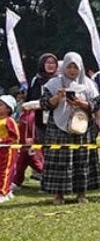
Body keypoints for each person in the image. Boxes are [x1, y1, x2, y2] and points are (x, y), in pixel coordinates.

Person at [40, 52, 100, 205]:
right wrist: (58, 97)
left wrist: (82, 104)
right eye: (69, 67)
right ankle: (58, 195)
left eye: (75, 67)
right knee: (60, 162)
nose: (72, 70)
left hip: (82, 127)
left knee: (82, 160)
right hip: (58, 127)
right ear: (64, 67)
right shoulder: (53, 84)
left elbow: (96, 105)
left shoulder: (89, 84)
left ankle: (81, 194)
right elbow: (44, 104)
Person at [14, 53, 58, 187]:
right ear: (42, 64)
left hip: (57, 119)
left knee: (56, 151)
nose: (50, 65)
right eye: (48, 62)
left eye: (53, 63)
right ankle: (45, 179)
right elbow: (31, 98)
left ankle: (54, 180)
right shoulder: (36, 80)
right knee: (42, 150)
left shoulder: (60, 79)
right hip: (40, 120)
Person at [0, 95, 19, 203]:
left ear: (8, 109)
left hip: (8, 151)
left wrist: (2, 140)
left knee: (5, 171)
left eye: (1, 105)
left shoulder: (9, 121)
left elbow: (15, 137)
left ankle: (3, 193)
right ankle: (7, 190)